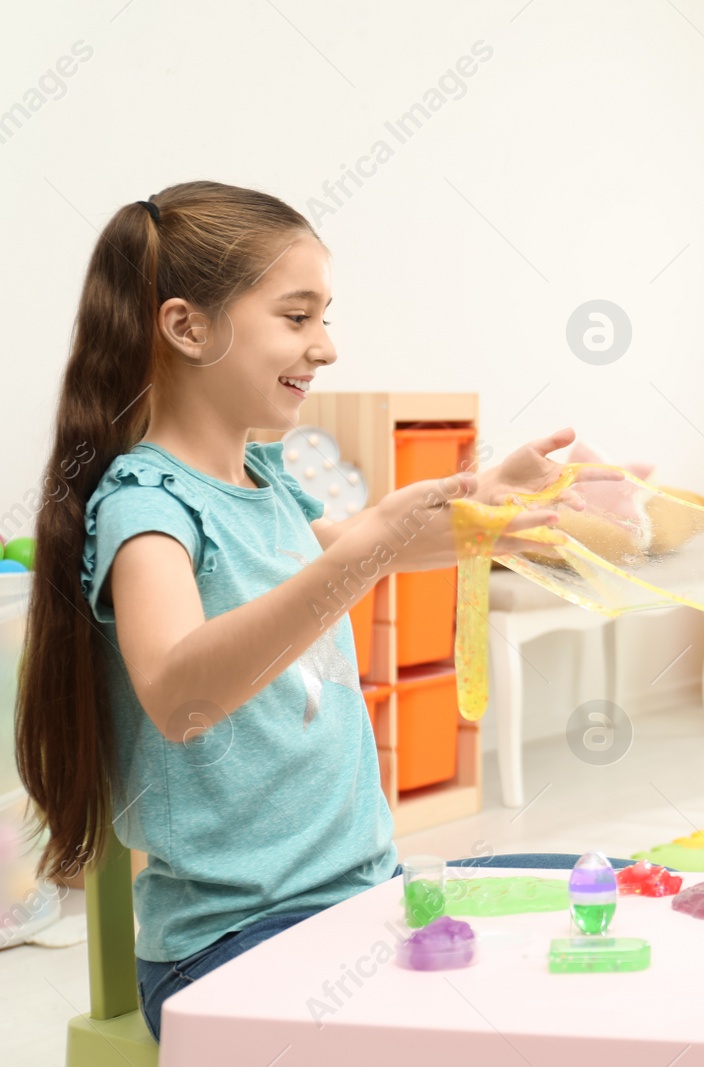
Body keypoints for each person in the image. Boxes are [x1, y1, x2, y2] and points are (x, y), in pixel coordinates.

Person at [15, 180, 628, 1039]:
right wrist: (359, 552)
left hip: (359, 896)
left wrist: (486, 502)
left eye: (325, 317)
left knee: (623, 889)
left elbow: (365, 542)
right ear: (187, 327)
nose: (328, 347)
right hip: (227, 944)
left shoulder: (264, 481)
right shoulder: (146, 507)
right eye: (298, 318)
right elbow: (180, 695)